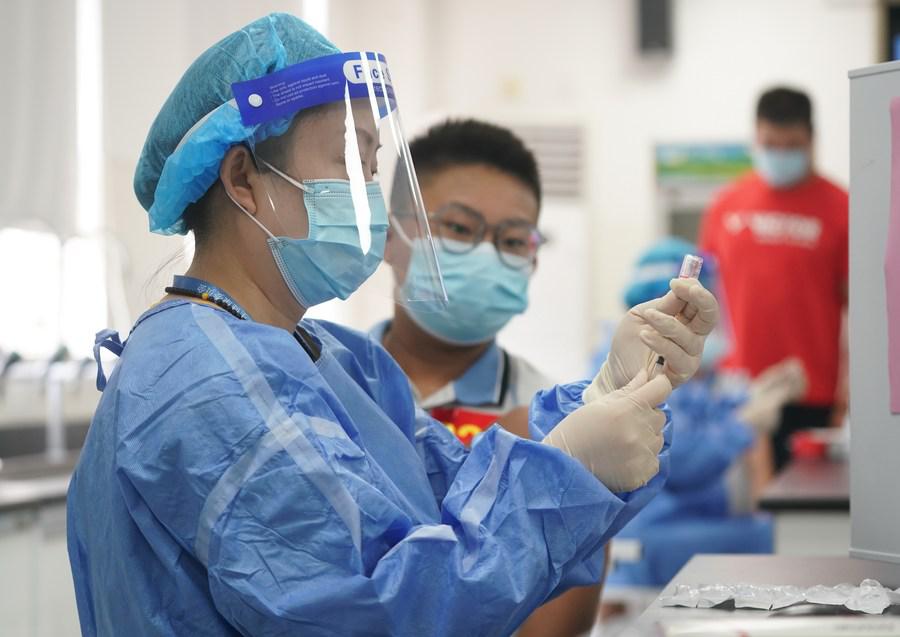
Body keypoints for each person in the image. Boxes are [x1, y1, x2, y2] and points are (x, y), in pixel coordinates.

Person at [66, 14, 718, 636]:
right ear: (243, 177)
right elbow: (375, 611)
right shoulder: (207, 382)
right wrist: (567, 464)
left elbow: (451, 486)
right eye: (349, 161)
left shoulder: (328, 358)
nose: (369, 197)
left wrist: (606, 393)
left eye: (373, 167)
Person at [372, 119, 601, 637]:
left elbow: (556, 624)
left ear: (533, 261)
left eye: (513, 240)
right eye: (458, 228)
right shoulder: (326, 388)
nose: (486, 255)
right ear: (389, 237)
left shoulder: (557, 425)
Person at [600, 238, 806, 594]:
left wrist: (757, 394)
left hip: (682, 523)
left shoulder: (668, 360)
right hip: (650, 539)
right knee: (783, 537)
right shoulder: (635, 364)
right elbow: (680, 460)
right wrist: (745, 424)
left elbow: (700, 414)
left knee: (783, 532)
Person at [699, 86, 848, 472]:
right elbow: (702, 296)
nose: (780, 154)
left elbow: (861, 311)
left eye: (791, 145)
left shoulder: (842, 208)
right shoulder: (726, 205)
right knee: (747, 502)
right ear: (756, 138)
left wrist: (849, 393)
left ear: (811, 140)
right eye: (770, 144)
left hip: (813, 394)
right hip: (738, 391)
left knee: (806, 504)